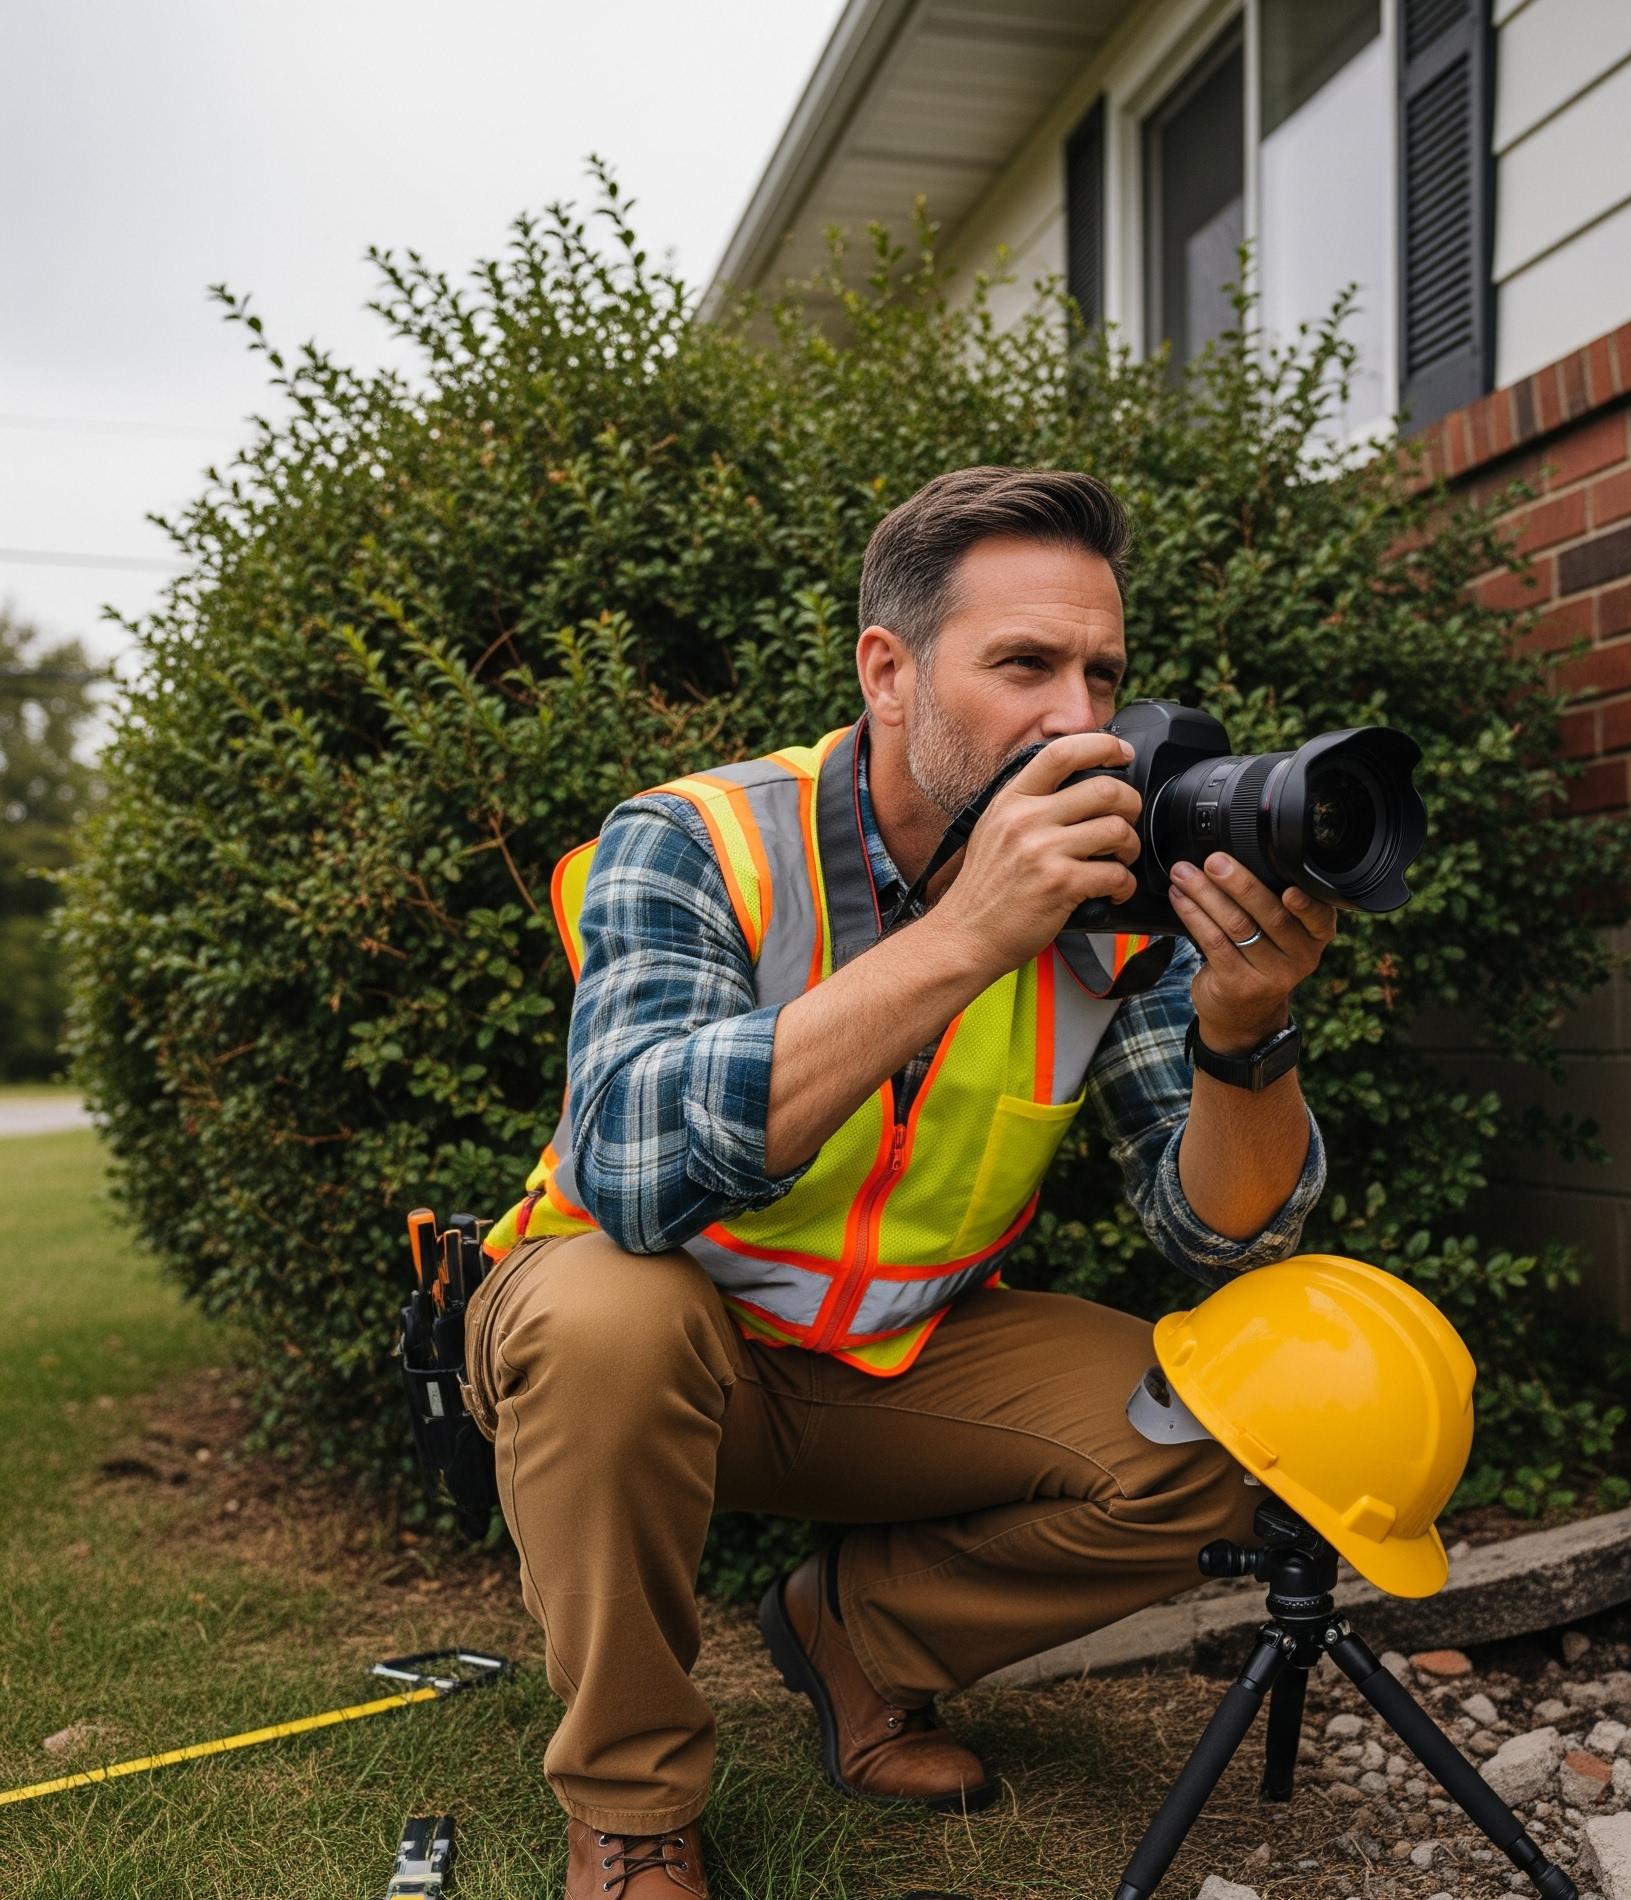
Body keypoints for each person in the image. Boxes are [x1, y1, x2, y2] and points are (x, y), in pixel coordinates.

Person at [463, 467, 1335, 1898]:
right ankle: (632, 1806)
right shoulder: (697, 837)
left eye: (1102, 672)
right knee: (605, 1315)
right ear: (889, 670)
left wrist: (1249, 1032)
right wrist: (967, 933)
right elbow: (627, 1161)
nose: (1077, 718)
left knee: (1231, 1441)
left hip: (899, 1358)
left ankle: (853, 1641)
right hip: (659, 1345)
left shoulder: (1115, 899)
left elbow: (1222, 1234)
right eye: (1024, 665)